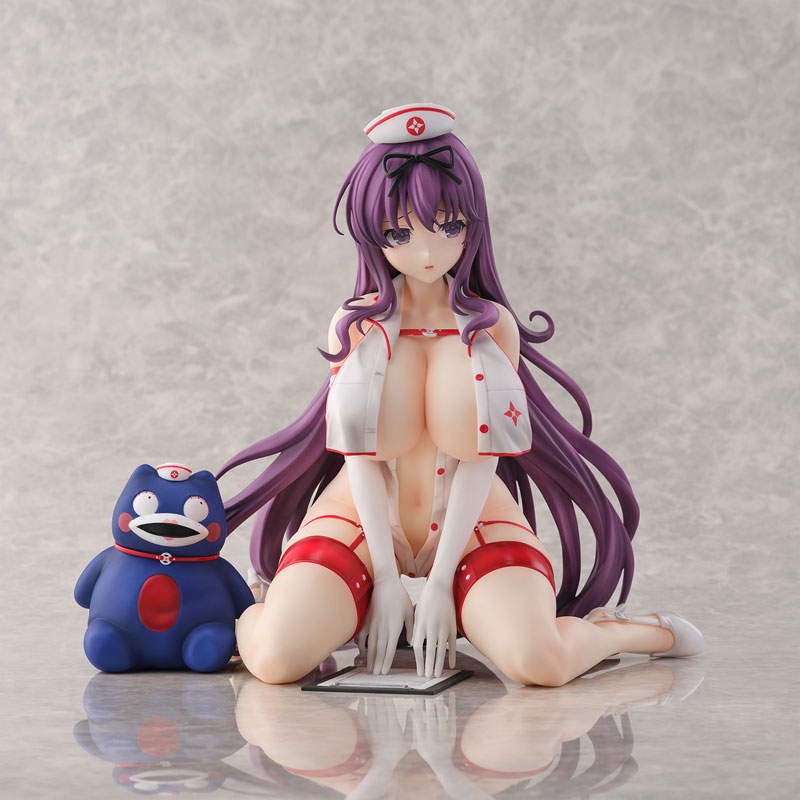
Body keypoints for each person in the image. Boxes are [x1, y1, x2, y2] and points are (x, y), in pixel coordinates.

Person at [218, 104, 703, 686]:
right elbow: (359, 458)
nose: (427, 253)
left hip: (474, 521)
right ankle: (266, 605)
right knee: (275, 659)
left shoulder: (491, 327)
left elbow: (482, 456)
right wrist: (388, 580)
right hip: (358, 518)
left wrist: (443, 579)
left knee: (538, 664)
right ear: (373, 235)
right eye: (400, 233)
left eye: (448, 227)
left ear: (474, 224)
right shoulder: (357, 325)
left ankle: (626, 631)